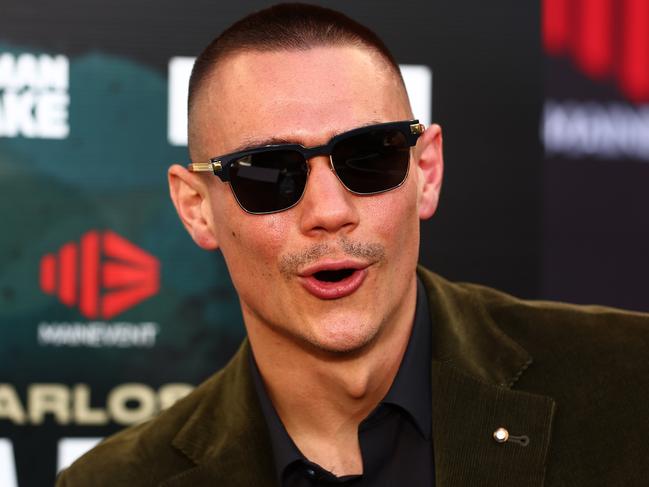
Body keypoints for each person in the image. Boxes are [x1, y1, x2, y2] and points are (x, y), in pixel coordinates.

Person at [57, 3, 649, 486]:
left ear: (428, 170)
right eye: (270, 174)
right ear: (196, 209)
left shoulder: (630, 383)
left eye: (370, 158)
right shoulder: (117, 480)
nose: (330, 213)